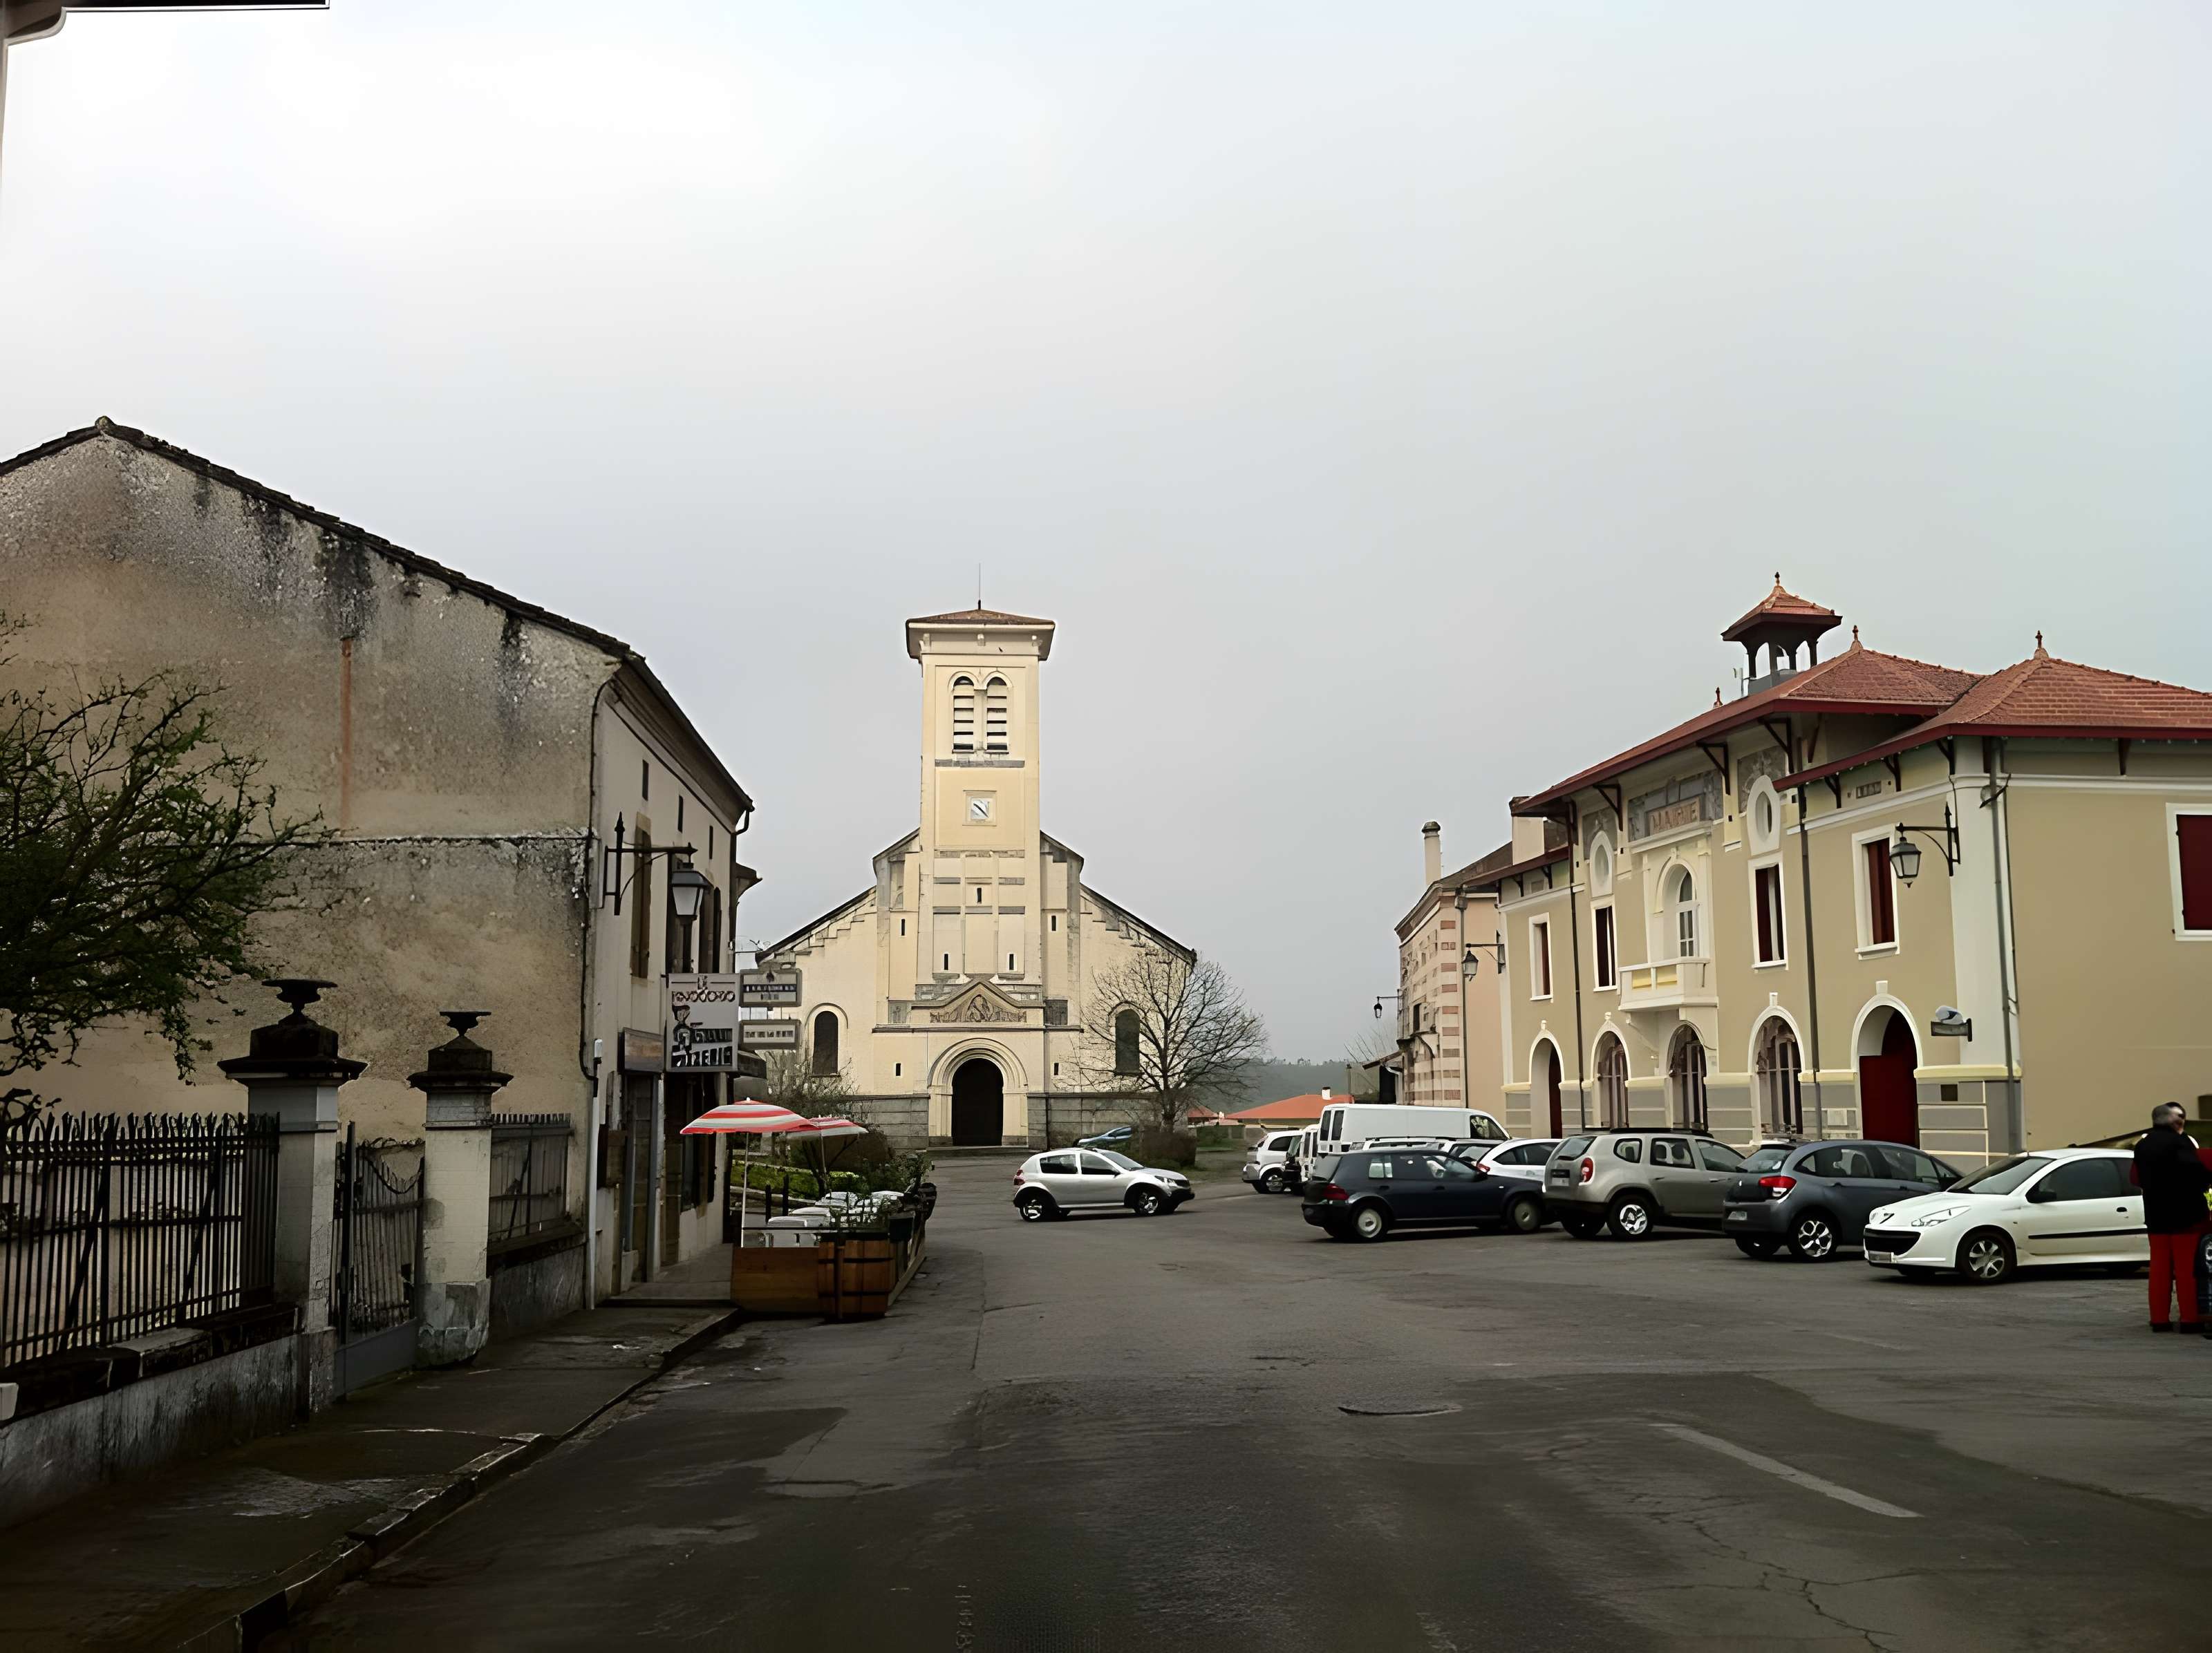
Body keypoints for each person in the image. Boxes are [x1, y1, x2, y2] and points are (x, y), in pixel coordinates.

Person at [2132, 1103, 2211, 1334]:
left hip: (2156, 1217)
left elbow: (2137, 1177)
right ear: (2175, 1122)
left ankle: (2159, 1320)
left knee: (2159, 1269)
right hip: (2186, 1218)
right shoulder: (2181, 1143)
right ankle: (2189, 1319)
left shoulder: (2143, 1145)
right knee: (2187, 1271)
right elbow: (2195, 1173)